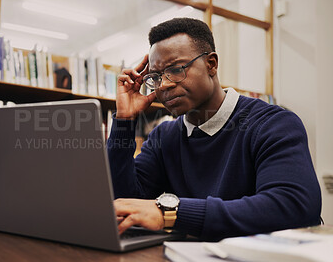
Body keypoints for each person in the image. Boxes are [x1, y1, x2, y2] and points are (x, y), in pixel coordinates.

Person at [107, 17, 321, 241]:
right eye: (156, 77)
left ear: (211, 64)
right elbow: (123, 203)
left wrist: (172, 213)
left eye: (177, 69)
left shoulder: (273, 124)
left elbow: (294, 206)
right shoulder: (164, 136)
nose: (165, 85)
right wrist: (124, 120)